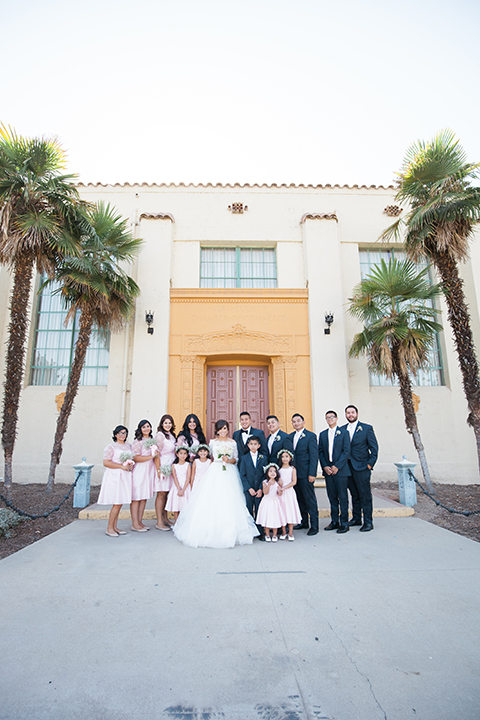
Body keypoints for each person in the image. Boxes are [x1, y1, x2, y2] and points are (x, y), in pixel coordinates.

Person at [173, 419, 259, 548]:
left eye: (225, 428)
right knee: (213, 498)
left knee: (231, 499)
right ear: (217, 430)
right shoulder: (212, 442)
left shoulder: (233, 442)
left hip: (229, 470)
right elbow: (209, 456)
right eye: (220, 429)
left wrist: (229, 460)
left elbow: (236, 458)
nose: (223, 431)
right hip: (215, 470)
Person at [342, 405, 379, 532]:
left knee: (365, 495)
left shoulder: (366, 428)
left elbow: (374, 448)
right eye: (348, 413)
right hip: (348, 468)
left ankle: (368, 521)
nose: (350, 415)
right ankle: (356, 518)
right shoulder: (342, 429)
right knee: (354, 494)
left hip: (362, 467)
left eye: (352, 412)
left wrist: (370, 464)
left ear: (357, 414)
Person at [318, 411, 351, 534]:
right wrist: (325, 466)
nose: (330, 419)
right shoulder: (322, 434)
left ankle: (344, 523)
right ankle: (334, 521)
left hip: (341, 471)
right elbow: (320, 452)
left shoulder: (344, 433)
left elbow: (346, 451)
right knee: (332, 498)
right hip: (328, 472)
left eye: (332, 417)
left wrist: (337, 466)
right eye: (327, 418)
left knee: (342, 497)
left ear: (336, 418)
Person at [98, 425, 133, 537]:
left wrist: (130, 465)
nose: (122, 435)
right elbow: (106, 462)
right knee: (117, 502)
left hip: (125, 475)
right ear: (115, 434)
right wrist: (121, 466)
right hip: (115, 475)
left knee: (120, 501)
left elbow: (130, 459)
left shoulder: (128, 445)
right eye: (120, 433)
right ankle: (109, 528)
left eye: (124, 433)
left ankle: (115, 526)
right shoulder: (111, 447)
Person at [290, 413, 319, 536]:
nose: (296, 423)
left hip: (306, 473)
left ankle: (314, 525)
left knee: (309, 499)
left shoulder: (310, 436)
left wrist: (312, 473)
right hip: (294, 474)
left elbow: (314, 456)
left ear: (303, 422)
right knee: (299, 499)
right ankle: (303, 521)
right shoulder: (290, 436)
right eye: (294, 421)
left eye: (298, 421)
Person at [239, 435, 267, 539]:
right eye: (251, 444)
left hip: (259, 489)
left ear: (259, 445)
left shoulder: (263, 458)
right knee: (249, 509)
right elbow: (242, 475)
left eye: (255, 444)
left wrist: (260, 488)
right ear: (248, 445)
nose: (253, 446)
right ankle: (250, 531)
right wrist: (248, 488)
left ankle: (260, 532)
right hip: (249, 489)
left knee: (259, 510)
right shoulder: (244, 458)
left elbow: (265, 475)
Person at [130, 419, 156, 532]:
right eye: (144, 427)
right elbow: (135, 457)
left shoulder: (152, 440)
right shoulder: (137, 442)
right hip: (140, 470)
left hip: (149, 471)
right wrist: (151, 456)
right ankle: (134, 524)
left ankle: (140, 522)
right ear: (140, 429)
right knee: (136, 498)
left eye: (148, 426)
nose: (146, 428)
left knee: (143, 497)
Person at [154, 414, 177, 531]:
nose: (168, 425)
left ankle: (165, 518)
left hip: (171, 464)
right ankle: (159, 522)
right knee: (161, 493)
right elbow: (156, 453)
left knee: (167, 493)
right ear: (161, 424)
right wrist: (159, 469)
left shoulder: (171, 435)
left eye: (170, 423)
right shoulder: (160, 435)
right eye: (165, 423)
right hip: (163, 465)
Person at [256, 464, 286, 542]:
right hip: (267, 502)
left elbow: (279, 494)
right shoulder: (265, 482)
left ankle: (275, 535)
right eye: (270, 471)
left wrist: (280, 490)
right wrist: (269, 485)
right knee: (267, 518)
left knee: (275, 518)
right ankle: (267, 534)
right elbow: (265, 492)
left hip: (275, 502)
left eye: (274, 471)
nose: (272, 473)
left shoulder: (277, 482)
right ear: (267, 473)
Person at [277, 449, 301, 541]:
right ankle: (283, 531)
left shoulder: (292, 469)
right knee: (282, 511)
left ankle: (290, 532)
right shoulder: (279, 469)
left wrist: (284, 488)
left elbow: (294, 482)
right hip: (281, 493)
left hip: (289, 492)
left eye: (286, 456)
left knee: (290, 511)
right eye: (283, 457)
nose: (284, 459)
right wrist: (279, 486)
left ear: (290, 458)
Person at [165, 446, 192, 522]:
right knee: (176, 506)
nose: (182, 455)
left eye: (184, 454)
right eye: (181, 453)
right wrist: (179, 489)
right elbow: (175, 477)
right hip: (176, 487)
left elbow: (188, 478)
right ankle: (177, 523)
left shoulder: (188, 465)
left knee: (185, 506)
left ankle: (184, 523)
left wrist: (183, 490)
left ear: (187, 455)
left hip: (185, 487)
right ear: (177, 454)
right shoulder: (174, 465)